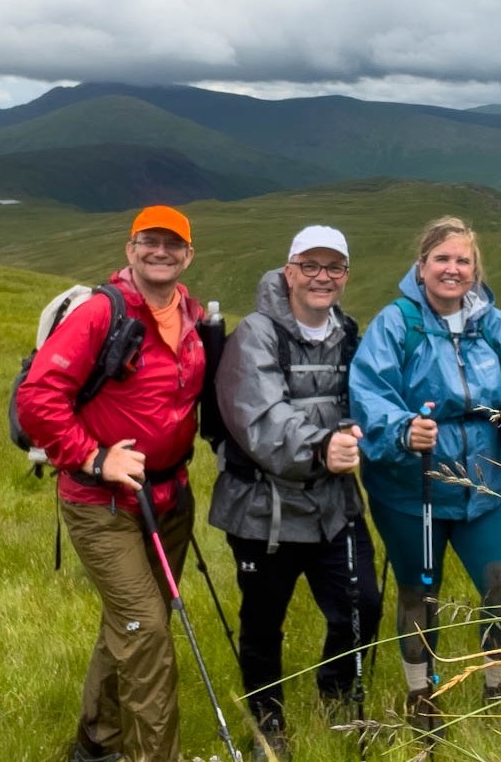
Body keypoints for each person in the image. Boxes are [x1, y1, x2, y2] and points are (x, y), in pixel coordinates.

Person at [349, 215, 501, 731]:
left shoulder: (500, 329)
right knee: (420, 591)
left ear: (476, 270)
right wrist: (401, 431)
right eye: (442, 259)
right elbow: (370, 394)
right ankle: (422, 696)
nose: (452, 270)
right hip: (411, 490)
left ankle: (497, 688)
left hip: (485, 486)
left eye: (463, 261)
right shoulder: (396, 324)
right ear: (421, 266)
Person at [16, 205, 205, 762]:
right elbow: (37, 399)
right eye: (149, 241)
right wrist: (94, 458)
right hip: (103, 503)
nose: (161, 252)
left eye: (173, 244)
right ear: (130, 249)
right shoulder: (104, 312)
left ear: (188, 254)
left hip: (169, 496)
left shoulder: (191, 314)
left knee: (129, 623)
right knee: (147, 633)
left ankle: (95, 744)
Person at [209, 225, 382, 759]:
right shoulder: (256, 334)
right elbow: (260, 417)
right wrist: (322, 445)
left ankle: (338, 704)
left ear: (346, 276)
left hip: (335, 504)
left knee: (363, 607)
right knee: (263, 622)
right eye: (310, 265)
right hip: (264, 509)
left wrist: (373, 431)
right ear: (289, 270)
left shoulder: (349, 332)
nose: (321, 277)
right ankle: (267, 726)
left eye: (334, 267)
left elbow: (368, 398)